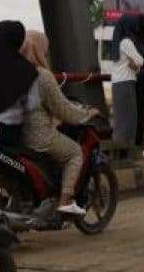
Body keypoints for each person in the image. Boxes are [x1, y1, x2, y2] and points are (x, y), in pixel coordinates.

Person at [18, 29, 102, 214]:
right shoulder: (42, 76)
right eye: (44, 51)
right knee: (75, 153)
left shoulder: (9, 72)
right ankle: (65, 201)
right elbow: (64, 110)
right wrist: (87, 114)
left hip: (14, 136)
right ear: (38, 50)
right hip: (38, 136)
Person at [109, 14, 144, 148]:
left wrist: (135, 66)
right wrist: (136, 65)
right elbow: (141, 60)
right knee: (129, 121)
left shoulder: (118, 42)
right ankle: (126, 152)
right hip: (126, 83)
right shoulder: (127, 42)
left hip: (118, 83)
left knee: (121, 120)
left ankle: (120, 150)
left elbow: (134, 65)